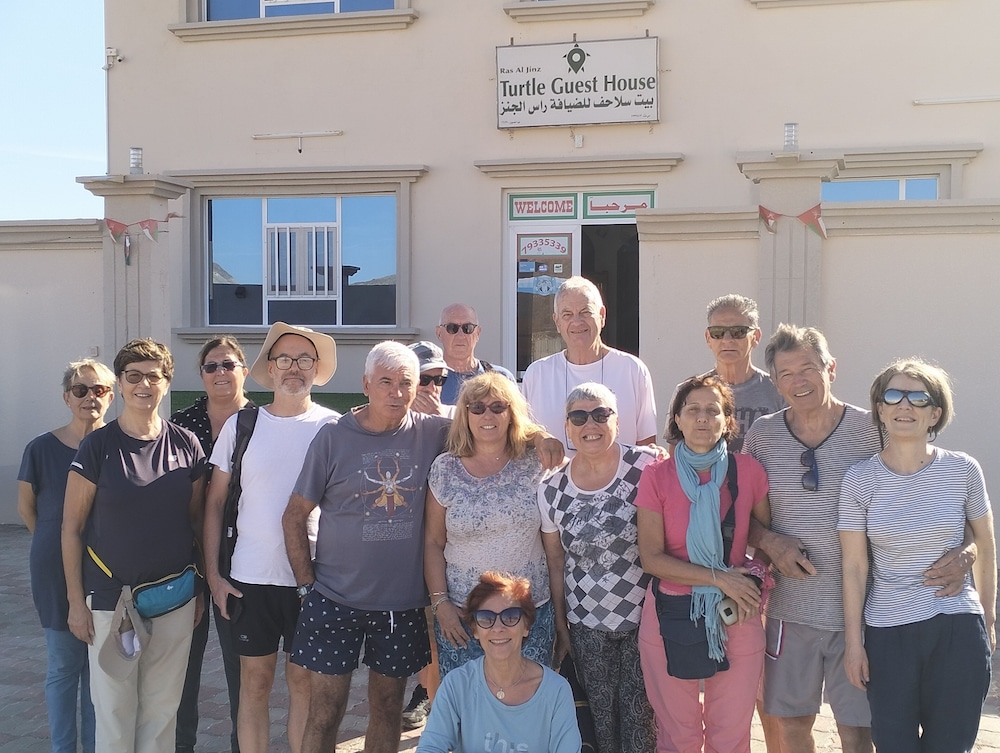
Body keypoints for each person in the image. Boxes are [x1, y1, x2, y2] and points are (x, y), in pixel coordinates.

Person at [282, 341, 565, 753]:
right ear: (366, 384)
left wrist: (542, 435)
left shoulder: (434, 432)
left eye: (406, 383)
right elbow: (294, 516)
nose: (396, 392)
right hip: (335, 598)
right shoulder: (333, 437)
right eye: (385, 382)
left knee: (388, 709)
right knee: (325, 710)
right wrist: (307, 588)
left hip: (401, 605)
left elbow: (495, 421)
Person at [743, 325, 972, 753]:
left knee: (857, 732)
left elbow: (934, 492)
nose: (798, 381)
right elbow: (742, 517)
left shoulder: (874, 427)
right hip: (790, 610)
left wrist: (967, 549)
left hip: (865, 613)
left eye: (808, 368)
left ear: (831, 368)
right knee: (791, 726)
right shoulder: (761, 436)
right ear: (775, 382)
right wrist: (770, 542)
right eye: (786, 373)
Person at [840, 359, 996, 753]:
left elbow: (985, 543)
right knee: (893, 744)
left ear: (935, 413)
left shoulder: (963, 470)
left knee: (950, 746)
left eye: (918, 398)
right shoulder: (859, 479)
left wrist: (988, 618)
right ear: (880, 409)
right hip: (888, 632)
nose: (904, 405)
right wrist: (855, 644)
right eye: (893, 395)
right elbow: (854, 567)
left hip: (957, 626)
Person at [62, 338, 207, 753]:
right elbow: (71, 528)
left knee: (163, 710)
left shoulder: (186, 444)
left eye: (154, 376)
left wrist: (198, 591)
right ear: (121, 385)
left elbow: (197, 523)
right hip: (114, 602)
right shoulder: (97, 446)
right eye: (134, 376)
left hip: (173, 599)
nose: (144, 384)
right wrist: (76, 602)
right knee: (114, 710)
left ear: (167, 382)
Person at [202, 323, 339, 753]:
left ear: (316, 368)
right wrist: (214, 577)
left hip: (313, 582)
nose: (294, 367)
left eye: (304, 359)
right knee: (255, 684)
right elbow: (214, 503)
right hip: (250, 579)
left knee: (304, 684)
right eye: (285, 359)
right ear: (271, 368)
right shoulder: (241, 426)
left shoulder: (334, 428)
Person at [636, 374, 771, 753]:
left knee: (730, 736)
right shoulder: (657, 476)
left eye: (713, 410)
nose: (702, 418)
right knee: (678, 736)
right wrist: (720, 578)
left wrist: (754, 577)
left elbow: (765, 537)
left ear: (727, 421)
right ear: (677, 419)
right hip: (670, 616)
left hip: (736, 611)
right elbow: (651, 557)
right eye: (692, 409)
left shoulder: (749, 471)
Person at [537, 382, 657, 753]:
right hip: (586, 624)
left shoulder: (647, 466)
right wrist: (562, 625)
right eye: (578, 416)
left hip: (645, 620)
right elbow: (556, 561)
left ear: (616, 421)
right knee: (600, 724)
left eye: (601, 414)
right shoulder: (551, 488)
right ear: (567, 427)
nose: (590, 424)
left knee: (642, 724)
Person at [425, 371, 555, 677]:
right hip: (463, 617)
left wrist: (540, 436)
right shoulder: (445, 469)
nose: (488, 415)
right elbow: (432, 542)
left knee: (527, 699)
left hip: (529, 614)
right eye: (477, 407)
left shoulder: (536, 462)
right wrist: (441, 604)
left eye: (498, 407)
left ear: (512, 414)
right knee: (466, 702)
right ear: (465, 414)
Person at [18, 358, 115, 753]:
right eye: (80, 390)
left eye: (99, 390)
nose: (90, 397)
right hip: (54, 571)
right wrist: (59, 543)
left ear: (111, 397)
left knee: (99, 672)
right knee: (63, 664)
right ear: (66, 397)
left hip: (108, 571)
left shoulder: (118, 445)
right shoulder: (41, 448)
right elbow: (28, 509)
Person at [172, 336, 254, 753]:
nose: (220, 372)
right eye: (211, 366)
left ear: (244, 370)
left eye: (228, 364)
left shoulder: (262, 422)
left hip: (243, 559)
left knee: (242, 670)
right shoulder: (181, 425)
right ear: (202, 375)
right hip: (185, 557)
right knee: (182, 668)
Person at [416, 571, 582, 753]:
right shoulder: (457, 684)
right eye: (486, 618)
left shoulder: (556, 690)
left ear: (526, 626)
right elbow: (430, 747)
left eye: (510, 616)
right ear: (475, 630)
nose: (498, 628)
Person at [522, 276, 658, 450]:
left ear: (602, 315)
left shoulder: (632, 370)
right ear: (557, 322)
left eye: (585, 312)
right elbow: (523, 439)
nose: (577, 322)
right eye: (567, 315)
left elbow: (646, 448)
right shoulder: (537, 374)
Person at [401, 340, 451, 730]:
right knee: (425, 642)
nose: (433, 388)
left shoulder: (453, 420)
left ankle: (445, 716)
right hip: (403, 553)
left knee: (443, 637)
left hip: (450, 549)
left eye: (440, 379)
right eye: (424, 379)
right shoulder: (390, 422)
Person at [668, 294, 783, 452]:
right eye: (718, 332)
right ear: (708, 338)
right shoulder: (688, 392)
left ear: (756, 337)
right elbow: (674, 455)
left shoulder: (779, 391)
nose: (727, 340)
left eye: (738, 332)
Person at [436, 303, 515, 405]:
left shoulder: (502, 378)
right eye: (452, 328)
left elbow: (517, 414)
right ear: (439, 333)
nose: (460, 336)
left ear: (478, 333)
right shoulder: (426, 381)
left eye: (467, 328)